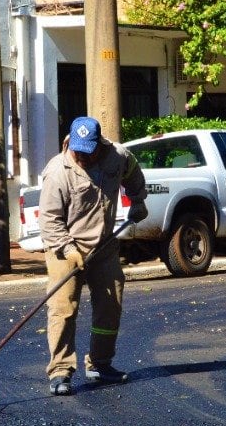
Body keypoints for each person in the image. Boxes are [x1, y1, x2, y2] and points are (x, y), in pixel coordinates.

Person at [38, 116, 148, 396]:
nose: (82, 157)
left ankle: (100, 364)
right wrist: (70, 250)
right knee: (63, 309)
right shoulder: (58, 171)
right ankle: (60, 371)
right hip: (65, 247)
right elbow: (50, 222)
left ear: (98, 143)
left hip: (105, 246)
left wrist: (137, 200)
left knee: (110, 306)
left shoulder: (117, 157)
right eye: (77, 151)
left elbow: (133, 171)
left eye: (88, 151)